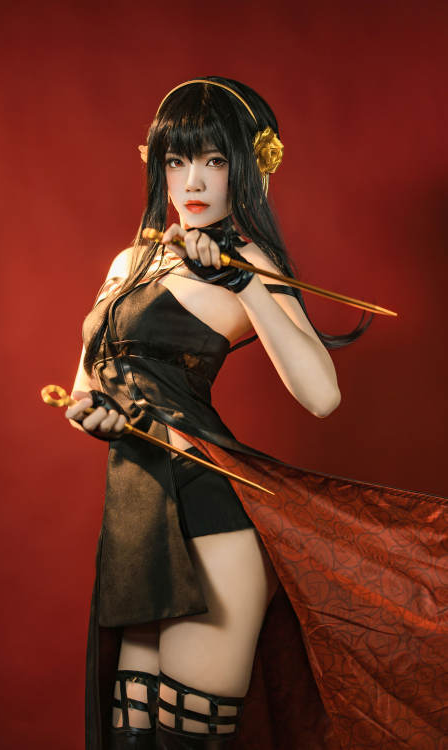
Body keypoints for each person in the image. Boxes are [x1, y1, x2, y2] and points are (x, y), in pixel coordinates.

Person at [64, 78, 447, 750]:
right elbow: (85, 387)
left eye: (215, 161)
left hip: (211, 522)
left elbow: (322, 397)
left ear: (246, 168)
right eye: (178, 160)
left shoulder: (247, 263)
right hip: (138, 525)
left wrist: (245, 282)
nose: (193, 181)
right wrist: (90, 414)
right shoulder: (129, 263)